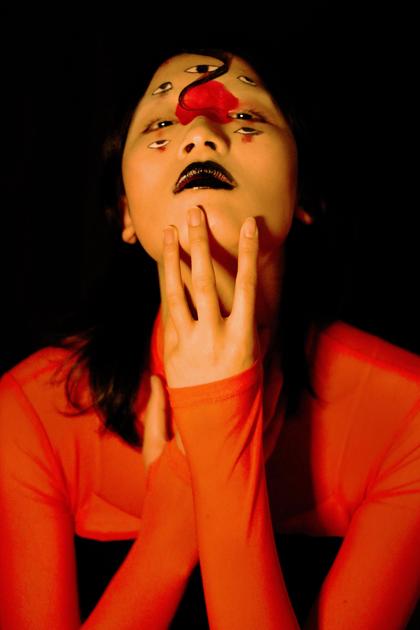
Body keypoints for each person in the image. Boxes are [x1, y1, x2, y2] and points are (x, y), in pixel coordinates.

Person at [0, 44, 419, 629]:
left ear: (303, 192)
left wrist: (221, 437)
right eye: (161, 125)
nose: (200, 134)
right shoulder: (34, 411)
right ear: (126, 211)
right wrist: (169, 538)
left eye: (246, 117)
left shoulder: (406, 416)